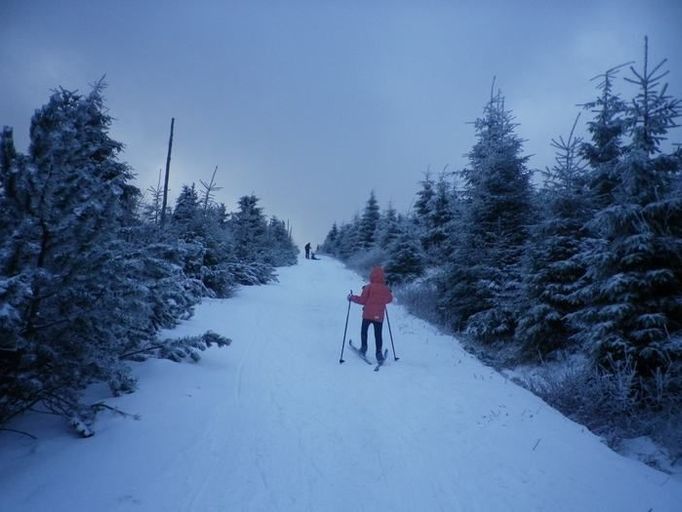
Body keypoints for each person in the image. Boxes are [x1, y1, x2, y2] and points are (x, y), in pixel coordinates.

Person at [347, 266, 393, 362]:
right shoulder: (385, 289)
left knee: (364, 332)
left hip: (367, 315)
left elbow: (362, 300)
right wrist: (388, 292)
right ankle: (379, 354)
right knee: (378, 334)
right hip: (379, 316)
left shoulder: (368, 287)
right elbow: (389, 299)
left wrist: (352, 298)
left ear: (372, 276)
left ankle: (363, 349)